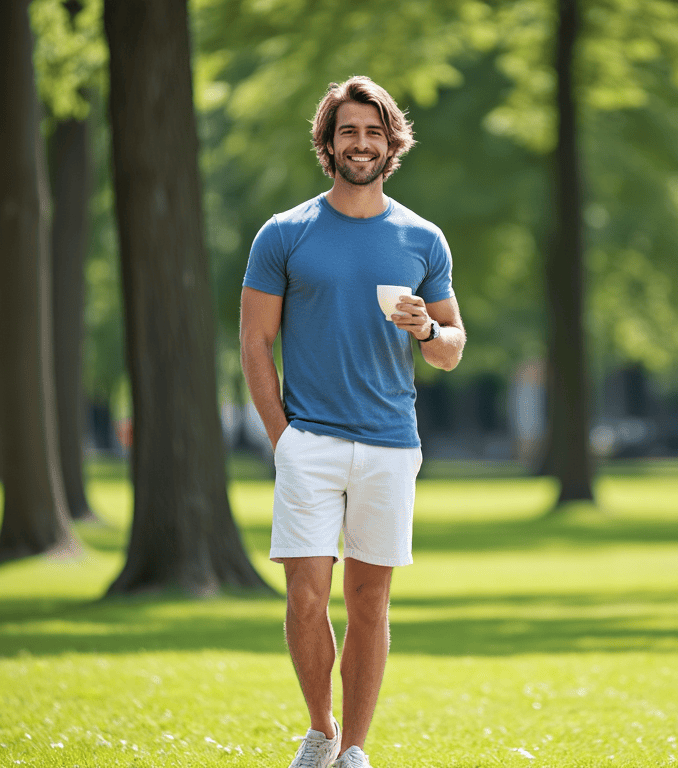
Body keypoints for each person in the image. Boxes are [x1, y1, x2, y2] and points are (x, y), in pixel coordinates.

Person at [239, 76, 465, 768]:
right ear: (328, 144)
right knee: (307, 598)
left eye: (372, 132)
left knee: (369, 602)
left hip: (391, 446)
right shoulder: (285, 232)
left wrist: (427, 325)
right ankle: (321, 730)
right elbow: (254, 342)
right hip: (310, 441)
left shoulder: (421, 238)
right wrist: (286, 440)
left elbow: (453, 349)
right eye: (347, 132)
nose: (360, 144)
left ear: (391, 142)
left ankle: (357, 751)